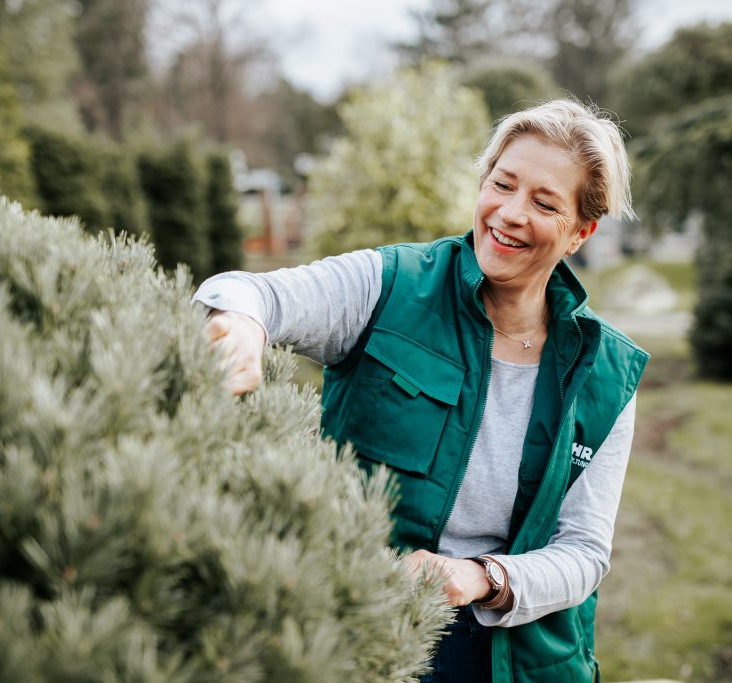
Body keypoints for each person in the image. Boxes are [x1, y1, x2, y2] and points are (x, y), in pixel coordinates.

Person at [193, 98, 648, 683]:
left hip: (513, 653)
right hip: (363, 626)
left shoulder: (604, 374)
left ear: (580, 231)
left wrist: (483, 577)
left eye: (543, 203)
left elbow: (585, 552)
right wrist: (242, 329)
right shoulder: (391, 288)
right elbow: (247, 292)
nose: (509, 213)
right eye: (501, 184)